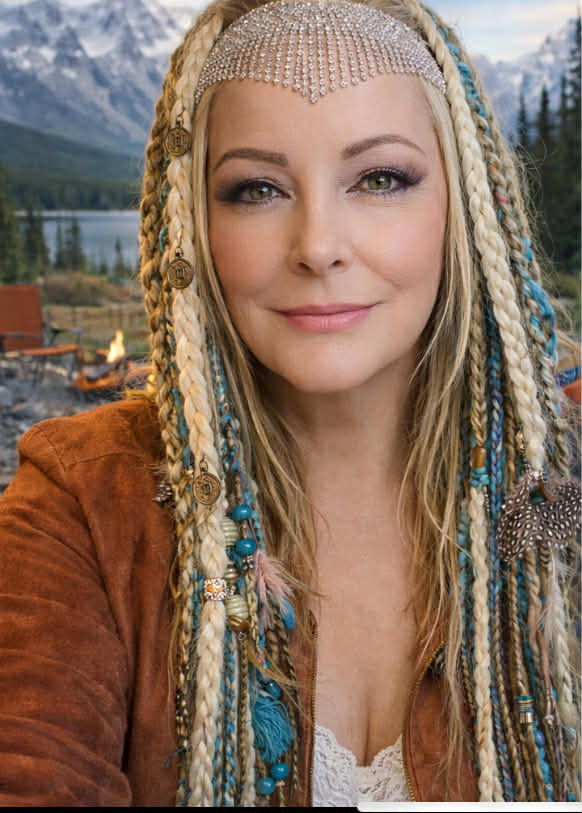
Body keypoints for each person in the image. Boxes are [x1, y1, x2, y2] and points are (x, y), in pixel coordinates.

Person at [0, 0, 580, 805]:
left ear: (466, 206)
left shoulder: (561, 484)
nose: (317, 246)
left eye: (380, 179)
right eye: (257, 189)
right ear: (192, 225)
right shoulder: (82, 504)